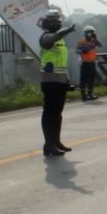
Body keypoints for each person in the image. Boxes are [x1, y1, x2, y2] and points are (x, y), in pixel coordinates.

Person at [39, 10, 76, 156]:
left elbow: (62, 63)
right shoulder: (46, 38)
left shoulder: (60, 41)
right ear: (48, 23)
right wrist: (67, 30)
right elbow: (55, 36)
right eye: (54, 21)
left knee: (57, 114)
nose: (57, 23)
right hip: (49, 82)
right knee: (50, 113)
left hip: (60, 81)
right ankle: (49, 145)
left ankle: (56, 142)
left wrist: (67, 80)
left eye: (58, 21)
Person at [76, 25, 102, 101]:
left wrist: (95, 38)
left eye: (92, 32)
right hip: (84, 62)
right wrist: (82, 51)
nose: (90, 34)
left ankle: (90, 94)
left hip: (92, 62)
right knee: (83, 79)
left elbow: (100, 45)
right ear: (85, 33)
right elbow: (77, 50)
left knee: (91, 79)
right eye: (89, 32)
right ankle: (83, 96)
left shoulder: (94, 41)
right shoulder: (81, 42)